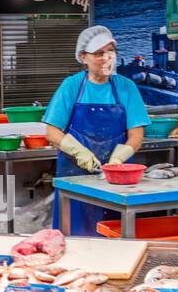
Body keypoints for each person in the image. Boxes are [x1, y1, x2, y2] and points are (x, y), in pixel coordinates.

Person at [44, 25, 150, 235]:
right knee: (76, 236)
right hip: (74, 179)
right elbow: (52, 131)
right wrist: (78, 151)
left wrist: (119, 159)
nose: (106, 58)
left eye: (110, 52)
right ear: (83, 57)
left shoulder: (126, 87)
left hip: (117, 181)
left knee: (114, 236)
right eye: (99, 54)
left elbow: (136, 135)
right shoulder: (72, 86)